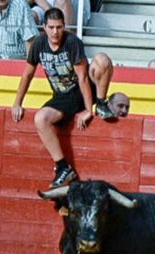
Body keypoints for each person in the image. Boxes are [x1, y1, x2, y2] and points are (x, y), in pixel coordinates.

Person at [12, 8, 111, 188]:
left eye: (59, 27)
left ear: (64, 26)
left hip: (83, 90)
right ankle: (63, 166)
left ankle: (102, 103)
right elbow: (27, 74)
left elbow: (82, 77)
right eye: (51, 27)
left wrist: (89, 109)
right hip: (63, 96)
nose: (55, 32)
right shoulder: (39, 44)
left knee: (102, 59)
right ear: (44, 27)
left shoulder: (72, 42)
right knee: (41, 118)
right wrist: (17, 103)